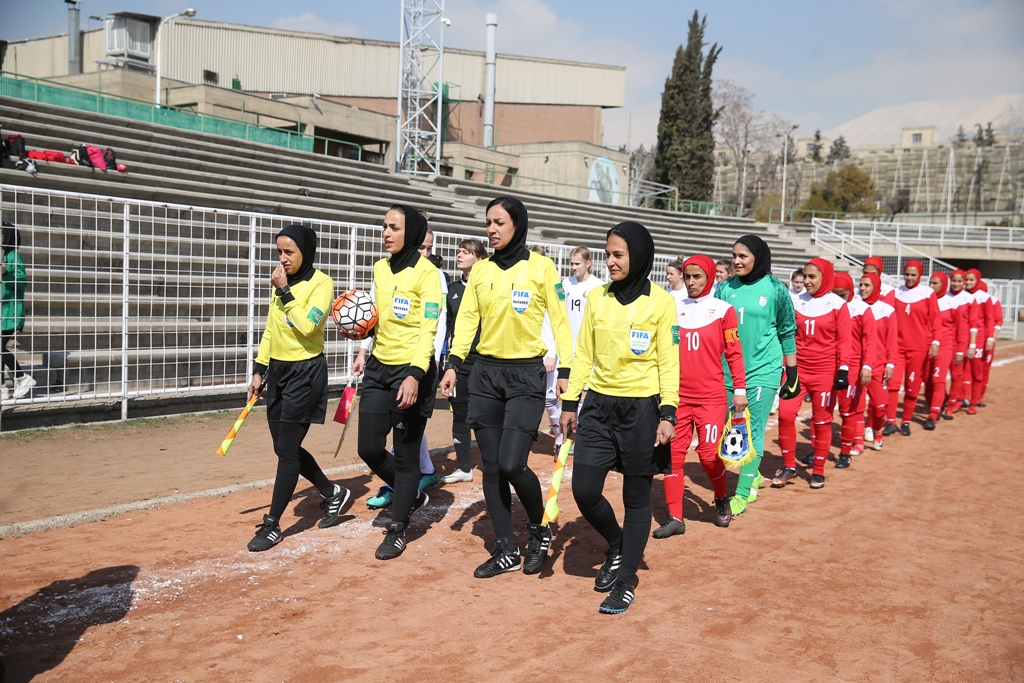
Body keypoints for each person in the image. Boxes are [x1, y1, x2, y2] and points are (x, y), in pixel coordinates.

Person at [439, 196, 573, 578]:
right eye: (488, 223)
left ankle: (540, 529)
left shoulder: (542, 267)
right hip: (484, 375)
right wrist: (453, 364)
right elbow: (467, 320)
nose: (492, 229)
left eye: (499, 222)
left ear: (518, 224)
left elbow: (560, 322)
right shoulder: (481, 271)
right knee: (493, 467)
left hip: (526, 376)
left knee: (514, 464)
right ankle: (506, 549)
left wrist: (566, 369)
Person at [559, 221, 679, 614]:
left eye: (618, 255)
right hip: (598, 407)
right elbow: (583, 354)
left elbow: (669, 362)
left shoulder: (661, 302)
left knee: (636, 499)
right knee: (584, 490)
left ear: (639, 256)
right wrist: (570, 402)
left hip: (642, 410)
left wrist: (668, 412)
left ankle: (626, 581)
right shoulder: (597, 298)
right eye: (608, 254)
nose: (610, 261)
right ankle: (617, 543)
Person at [246, 224, 350, 552]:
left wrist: (285, 292)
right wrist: (259, 370)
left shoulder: (322, 283)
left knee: (288, 451)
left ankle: (272, 524)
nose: (283, 258)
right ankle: (333, 492)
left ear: (305, 252)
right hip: (278, 371)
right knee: (283, 448)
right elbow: (270, 329)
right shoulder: (281, 281)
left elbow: (307, 326)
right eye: (279, 251)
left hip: (306, 372)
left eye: (289, 252)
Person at [355, 205, 441, 560]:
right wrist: (360, 329)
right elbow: (379, 318)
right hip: (379, 367)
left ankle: (397, 528)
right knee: (368, 447)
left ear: (412, 232)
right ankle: (412, 494)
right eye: (384, 227)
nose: (386, 233)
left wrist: (414, 374)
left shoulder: (428, 274)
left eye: (394, 227)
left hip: (412, 370)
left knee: (406, 457)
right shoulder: (380, 268)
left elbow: (428, 329)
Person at [656, 254, 746, 537]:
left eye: (698, 276)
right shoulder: (672, 306)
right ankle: (675, 517)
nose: (691, 282)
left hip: (711, 398)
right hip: (677, 397)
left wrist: (740, 389)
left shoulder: (724, 310)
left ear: (709, 278)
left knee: (708, 456)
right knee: (674, 455)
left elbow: (734, 352)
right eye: (688, 276)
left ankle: (721, 498)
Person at [714, 236, 797, 515]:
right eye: (734, 255)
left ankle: (741, 494)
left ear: (758, 257)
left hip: (764, 368)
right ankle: (755, 474)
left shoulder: (776, 289)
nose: (736, 261)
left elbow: (787, 331)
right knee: (726, 427)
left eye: (743, 256)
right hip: (729, 370)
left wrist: (792, 372)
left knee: (753, 429)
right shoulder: (724, 288)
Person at [773, 258, 851, 488]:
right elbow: (786, 335)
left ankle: (818, 470)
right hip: (796, 370)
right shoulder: (795, 301)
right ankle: (789, 467)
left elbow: (844, 340)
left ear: (824, 277)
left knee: (822, 420)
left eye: (811, 277)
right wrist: (783, 364)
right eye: (804, 276)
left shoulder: (838, 304)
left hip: (825, 372)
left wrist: (843, 368)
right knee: (785, 414)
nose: (806, 281)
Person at [440, 238, 488, 484]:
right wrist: (446, 360)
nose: (459, 255)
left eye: (466, 252)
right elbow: (447, 326)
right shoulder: (453, 289)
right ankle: (464, 468)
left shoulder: (487, 286)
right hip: (460, 361)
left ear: (479, 259)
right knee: (460, 412)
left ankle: (493, 464)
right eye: (458, 251)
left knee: (485, 414)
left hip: (485, 361)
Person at [886, 260, 940, 436]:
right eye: (907, 274)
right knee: (892, 384)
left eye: (913, 275)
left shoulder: (927, 293)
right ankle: (891, 421)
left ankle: (906, 421)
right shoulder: (896, 293)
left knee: (912, 386)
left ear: (920, 275)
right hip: (897, 347)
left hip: (918, 348)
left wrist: (936, 341)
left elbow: (935, 319)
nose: (909, 278)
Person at [832, 271, 874, 465]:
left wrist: (867, 365)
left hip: (853, 366)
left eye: (843, 295)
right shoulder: (827, 305)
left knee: (848, 409)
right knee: (822, 410)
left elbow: (870, 340)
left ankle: (846, 450)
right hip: (828, 364)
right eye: (835, 294)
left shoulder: (862, 309)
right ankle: (816, 451)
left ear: (850, 290)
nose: (839, 299)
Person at [856, 272, 896, 451]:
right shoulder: (854, 307)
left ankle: (877, 431)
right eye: (861, 285)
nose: (862, 288)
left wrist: (891, 363)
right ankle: (858, 442)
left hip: (878, 366)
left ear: (876, 287)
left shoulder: (887, 310)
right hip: (857, 365)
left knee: (879, 407)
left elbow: (892, 340)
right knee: (857, 406)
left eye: (867, 285)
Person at [1, 222, 34, 401]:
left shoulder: (14, 257)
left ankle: (22, 377)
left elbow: (21, 282)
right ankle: (2, 387)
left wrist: (5, 272)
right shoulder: (1, 255)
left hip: (11, 312)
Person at [922, 272, 960, 430]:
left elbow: (960, 328)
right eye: (930, 283)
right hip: (925, 345)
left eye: (935, 283)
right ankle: (938, 402)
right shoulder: (924, 300)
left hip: (945, 345)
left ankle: (933, 414)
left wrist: (960, 349)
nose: (931, 286)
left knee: (938, 379)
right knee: (926, 380)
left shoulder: (952, 303)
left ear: (943, 284)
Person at [943, 269, 978, 417]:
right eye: (954, 281)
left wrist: (972, 345)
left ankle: (953, 403)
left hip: (961, 341)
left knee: (957, 374)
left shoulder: (969, 299)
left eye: (959, 281)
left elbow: (973, 324)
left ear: (964, 282)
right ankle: (944, 398)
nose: (956, 284)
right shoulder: (943, 297)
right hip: (945, 341)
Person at [963, 269, 992, 415]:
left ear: (977, 281)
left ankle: (974, 401)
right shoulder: (961, 296)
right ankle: (962, 398)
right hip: (963, 337)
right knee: (962, 370)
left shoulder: (984, 298)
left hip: (978, 338)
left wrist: (990, 338)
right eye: (966, 279)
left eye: (971, 280)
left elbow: (990, 319)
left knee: (977, 371)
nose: (968, 282)